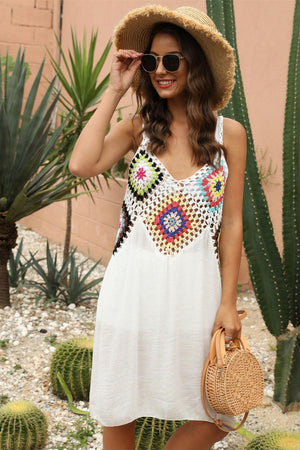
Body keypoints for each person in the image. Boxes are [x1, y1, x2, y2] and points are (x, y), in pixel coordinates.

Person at [69, 5, 247, 450]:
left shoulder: (231, 135)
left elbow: (233, 223)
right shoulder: (137, 129)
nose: (160, 71)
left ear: (195, 65)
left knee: (221, 411)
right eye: (151, 62)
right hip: (132, 288)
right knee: (119, 406)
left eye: (172, 60)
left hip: (197, 293)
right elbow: (81, 164)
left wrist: (228, 304)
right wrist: (114, 89)